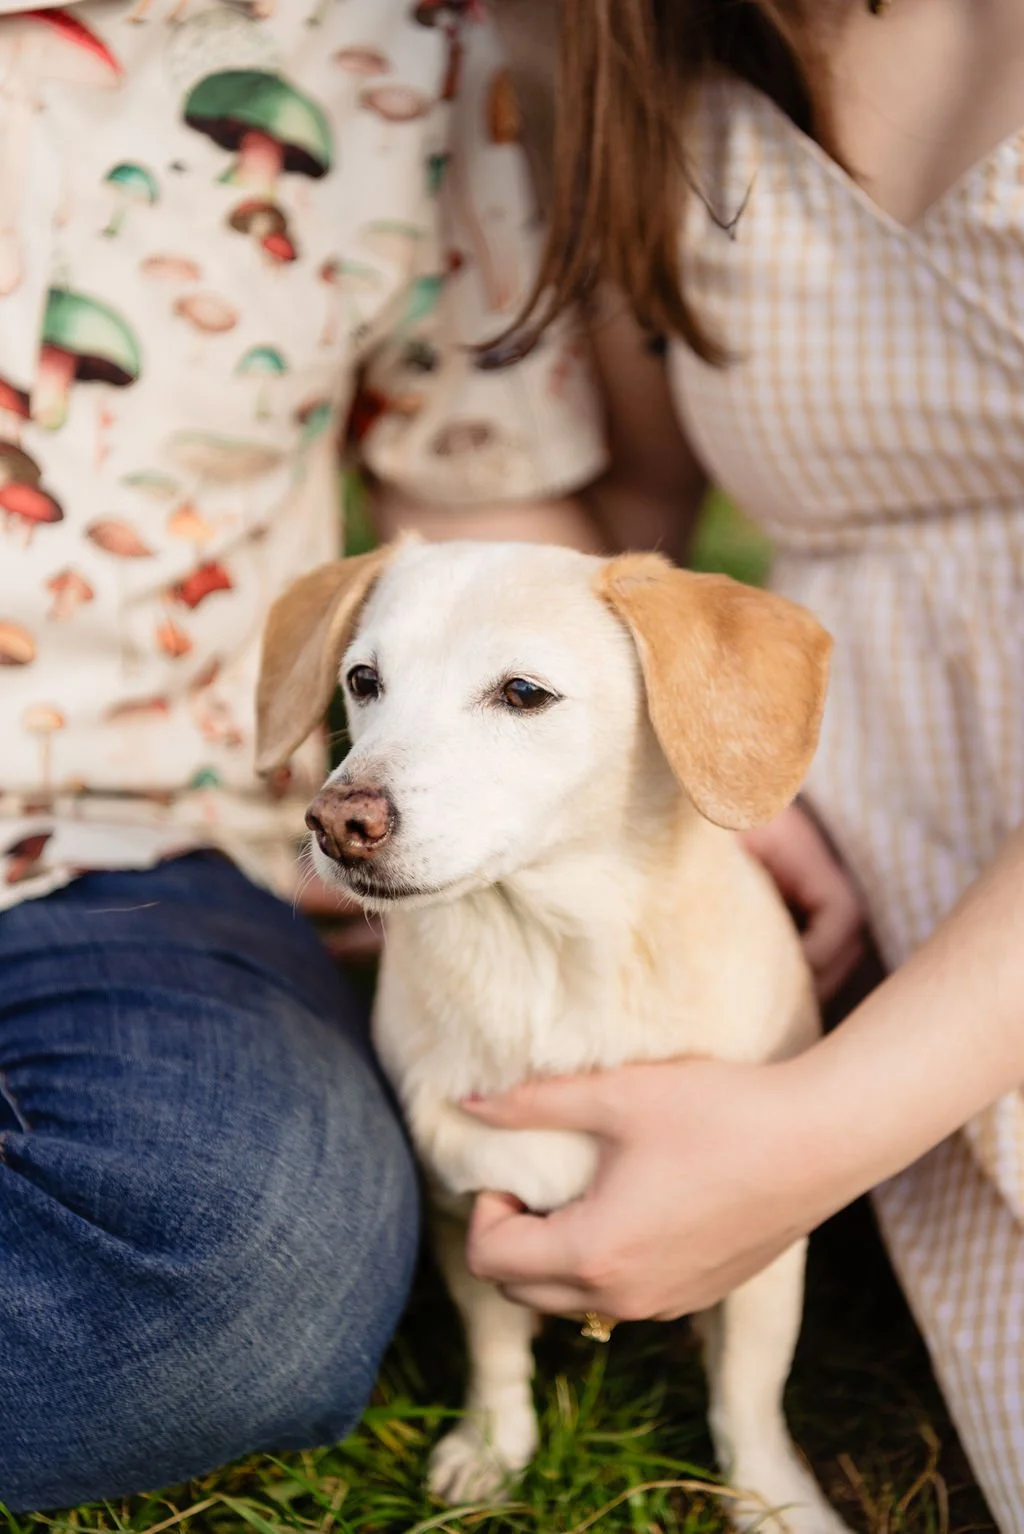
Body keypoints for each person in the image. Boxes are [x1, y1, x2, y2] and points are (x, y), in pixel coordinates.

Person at [0, 0, 638, 1510]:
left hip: (125, 847)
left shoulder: (405, 50)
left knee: (250, 1265)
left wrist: (678, 759)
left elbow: (487, 506)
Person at [464, 2, 1024, 1528]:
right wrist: (694, 757)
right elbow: (624, 500)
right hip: (875, 842)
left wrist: (805, 1140)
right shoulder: (598, 54)